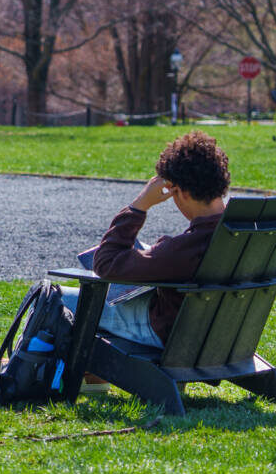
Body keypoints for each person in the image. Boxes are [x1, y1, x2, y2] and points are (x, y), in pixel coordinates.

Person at [67, 130, 230, 348]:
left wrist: (139, 205)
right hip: (224, 338)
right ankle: (90, 378)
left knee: (51, 296)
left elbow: (105, 262)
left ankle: (21, 374)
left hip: (170, 332)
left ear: (182, 192)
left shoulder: (186, 249)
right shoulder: (250, 233)